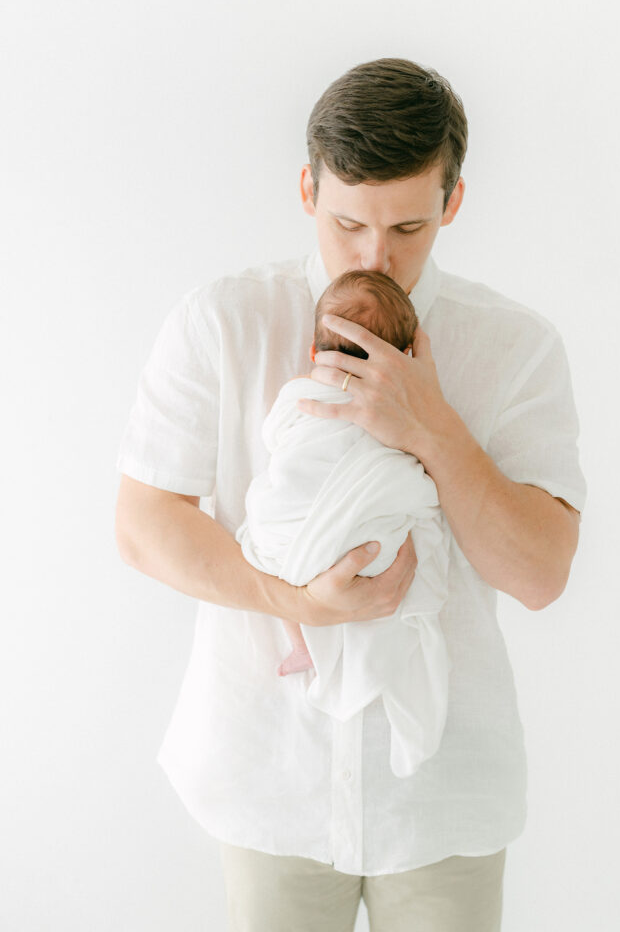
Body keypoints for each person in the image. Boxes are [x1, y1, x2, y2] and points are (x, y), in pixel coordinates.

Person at [115, 57, 586, 932]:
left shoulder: (515, 348)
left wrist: (431, 426)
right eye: (347, 224)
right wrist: (294, 600)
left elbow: (539, 574)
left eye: (409, 225)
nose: (379, 257)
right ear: (306, 188)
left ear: (452, 201)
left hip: (443, 792)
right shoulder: (222, 323)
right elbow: (143, 526)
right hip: (268, 779)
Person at [235, 268, 452, 779]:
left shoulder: (302, 389)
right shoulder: (406, 403)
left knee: (264, 550)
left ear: (315, 353)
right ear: (405, 357)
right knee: (404, 512)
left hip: (289, 530)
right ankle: (358, 655)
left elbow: (274, 435)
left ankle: (300, 642)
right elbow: (407, 454)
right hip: (364, 521)